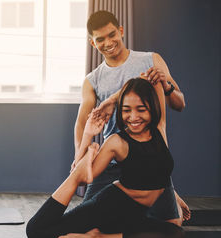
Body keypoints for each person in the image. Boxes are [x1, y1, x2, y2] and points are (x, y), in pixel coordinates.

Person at [26, 77, 185, 238]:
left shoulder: (159, 129)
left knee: (175, 235)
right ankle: (97, 236)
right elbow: (83, 178)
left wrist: (113, 99)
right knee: (37, 232)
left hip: (135, 216)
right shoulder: (117, 142)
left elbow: (151, 79)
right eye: (126, 110)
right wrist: (88, 134)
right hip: (108, 208)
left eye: (141, 109)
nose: (133, 117)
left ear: (152, 109)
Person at [72, 10, 190, 223]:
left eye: (111, 35)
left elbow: (179, 103)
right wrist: (78, 159)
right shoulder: (93, 79)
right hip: (113, 158)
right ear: (92, 43)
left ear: (121, 31)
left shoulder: (151, 60)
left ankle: (167, 190)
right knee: (87, 221)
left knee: (169, 226)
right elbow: (82, 122)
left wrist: (166, 85)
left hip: (148, 156)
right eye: (100, 39)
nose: (108, 42)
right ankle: (167, 193)